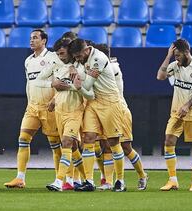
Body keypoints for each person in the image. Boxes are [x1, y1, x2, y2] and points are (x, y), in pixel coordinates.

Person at [33, 38, 93, 191]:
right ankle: (87, 180)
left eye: (63, 53)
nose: (61, 57)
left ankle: (59, 181)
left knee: (66, 143)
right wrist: (52, 84)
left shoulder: (81, 68)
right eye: (58, 54)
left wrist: (67, 87)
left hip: (75, 111)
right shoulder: (56, 65)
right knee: (72, 148)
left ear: (71, 53)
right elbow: (38, 81)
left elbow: (87, 90)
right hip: (60, 111)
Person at [4, 29, 62, 188]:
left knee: (55, 145)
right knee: (23, 140)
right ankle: (20, 178)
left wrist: (55, 99)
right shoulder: (28, 60)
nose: (31, 41)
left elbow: (60, 80)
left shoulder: (52, 58)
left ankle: (60, 179)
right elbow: (30, 84)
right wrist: (29, 102)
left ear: (44, 41)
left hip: (49, 107)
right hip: (32, 107)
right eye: (30, 38)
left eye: (35, 38)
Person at [68, 39, 127, 192]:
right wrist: (73, 68)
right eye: (75, 57)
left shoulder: (98, 59)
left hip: (110, 101)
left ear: (87, 49)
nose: (78, 59)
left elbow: (86, 86)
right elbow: (88, 93)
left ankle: (120, 180)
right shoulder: (80, 61)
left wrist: (76, 82)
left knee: (113, 141)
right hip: (94, 102)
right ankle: (89, 181)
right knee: (88, 138)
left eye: (79, 56)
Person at [93, 44, 148, 191]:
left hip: (119, 110)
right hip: (105, 110)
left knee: (125, 147)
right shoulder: (103, 67)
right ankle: (109, 182)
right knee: (106, 146)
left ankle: (142, 175)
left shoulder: (112, 68)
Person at [157, 39, 192, 192]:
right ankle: (173, 181)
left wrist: (187, 105)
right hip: (176, 112)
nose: (176, 58)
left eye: (178, 55)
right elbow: (160, 76)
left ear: (186, 53)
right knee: (168, 141)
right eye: (174, 56)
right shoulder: (174, 66)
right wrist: (168, 56)